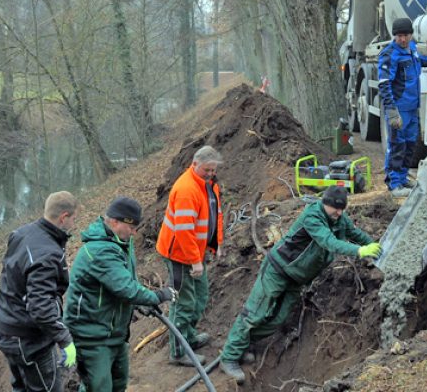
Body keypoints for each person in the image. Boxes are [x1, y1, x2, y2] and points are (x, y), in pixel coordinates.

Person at [217, 186, 382, 384]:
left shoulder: (339, 219)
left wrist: (376, 246)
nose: (338, 213)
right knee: (255, 314)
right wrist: (360, 251)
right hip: (278, 270)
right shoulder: (313, 217)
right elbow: (328, 242)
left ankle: (244, 344)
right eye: (334, 209)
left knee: (278, 319)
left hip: (297, 278)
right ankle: (229, 358)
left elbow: (356, 234)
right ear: (324, 204)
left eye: (342, 209)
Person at [63, 197, 177, 392]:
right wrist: (157, 296)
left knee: (118, 384)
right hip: (92, 336)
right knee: (98, 387)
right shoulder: (99, 251)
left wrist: (138, 303)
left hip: (114, 333)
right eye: (131, 227)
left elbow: (124, 281)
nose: (134, 233)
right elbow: (125, 288)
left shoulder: (121, 241)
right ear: (114, 222)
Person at [0, 191, 79, 392]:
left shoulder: (21, 233)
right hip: (28, 339)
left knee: (21, 387)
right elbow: (40, 307)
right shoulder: (47, 254)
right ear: (64, 217)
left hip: (5, 328)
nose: (74, 224)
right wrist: (65, 340)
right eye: (73, 219)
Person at [155, 145, 226, 366]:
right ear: (194, 164)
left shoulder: (208, 185)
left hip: (196, 252)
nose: (211, 174)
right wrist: (195, 261)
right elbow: (183, 231)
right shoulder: (187, 189)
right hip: (179, 254)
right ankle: (178, 352)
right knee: (183, 303)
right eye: (207, 170)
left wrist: (217, 244)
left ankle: (189, 337)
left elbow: (216, 215)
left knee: (201, 295)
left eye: (213, 170)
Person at [378, 17, 427, 197]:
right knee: (397, 145)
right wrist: (392, 111)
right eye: (399, 36)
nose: (403, 39)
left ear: (411, 35)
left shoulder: (412, 48)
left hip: (412, 107)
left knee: (410, 145)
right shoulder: (389, 55)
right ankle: (394, 183)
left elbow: (420, 61)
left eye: (406, 35)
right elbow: (384, 84)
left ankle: (402, 178)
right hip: (399, 108)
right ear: (395, 36)